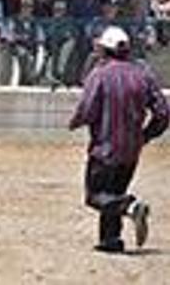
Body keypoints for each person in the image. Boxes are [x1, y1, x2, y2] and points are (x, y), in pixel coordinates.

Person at [69, 26, 169, 254]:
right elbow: (163, 112)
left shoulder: (100, 74)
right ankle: (111, 240)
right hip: (131, 150)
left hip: (105, 149)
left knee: (95, 196)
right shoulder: (142, 74)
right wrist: (146, 135)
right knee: (114, 190)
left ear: (106, 50)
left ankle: (131, 207)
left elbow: (87, 109)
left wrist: (75, 122)